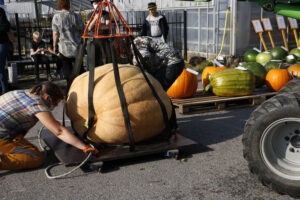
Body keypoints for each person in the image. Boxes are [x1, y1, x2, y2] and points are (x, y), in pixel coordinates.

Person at [0, 82, 99, 170]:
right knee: (36, 158)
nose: (55, 107)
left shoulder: (25, 93)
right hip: (2, 136)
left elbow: (52, 123)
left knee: (31, 150)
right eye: (55, 104)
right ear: (48, 98)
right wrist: (84, 147)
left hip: (8, 131)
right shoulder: (36, 105)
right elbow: (59, 131)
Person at [52, 0, 85, 89]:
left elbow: (55, 33)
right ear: (69, 4)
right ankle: (81, 88)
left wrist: (54, 46)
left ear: (59, 4)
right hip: (77, 48)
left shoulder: (56, 17)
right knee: (79, 69)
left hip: (64, 48)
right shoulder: (77, 16)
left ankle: (71, 89)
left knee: (67, 71)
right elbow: (83, 30)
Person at [86, 0, 112, 67]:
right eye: (95, 3)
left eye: (98, 2)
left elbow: (107, 26)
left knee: (106, 59)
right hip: (93, 40)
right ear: (92, 4)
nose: (97, 4)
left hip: (104, 39)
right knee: (93, 60)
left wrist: (95, 26)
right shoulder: (90, 14)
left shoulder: (105, 13)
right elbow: (89, 27)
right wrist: (95, 19)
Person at [0, 7, 14, 94]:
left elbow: (6, 26)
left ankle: (5, 90)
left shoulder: (1, 11)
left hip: (1, 42)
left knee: (1, 68)